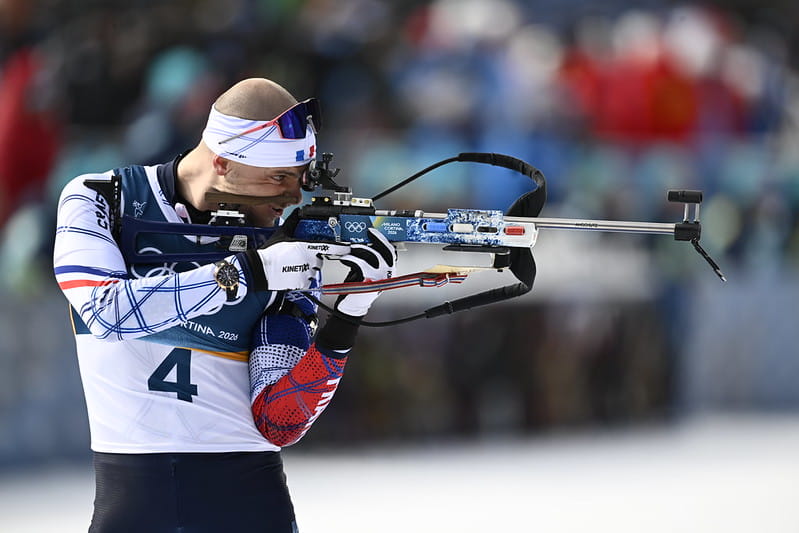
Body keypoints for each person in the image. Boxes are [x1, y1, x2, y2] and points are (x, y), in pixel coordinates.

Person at [53, 78, 396, 532]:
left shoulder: (284, 247)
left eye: (300, 179)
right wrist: (244, 275)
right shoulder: (103, 198)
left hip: (248, 498)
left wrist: (345, 319)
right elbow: (105, 312)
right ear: (222, 161)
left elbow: (280, 421)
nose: (293, 197)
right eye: (279, 178)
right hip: (130, 496)